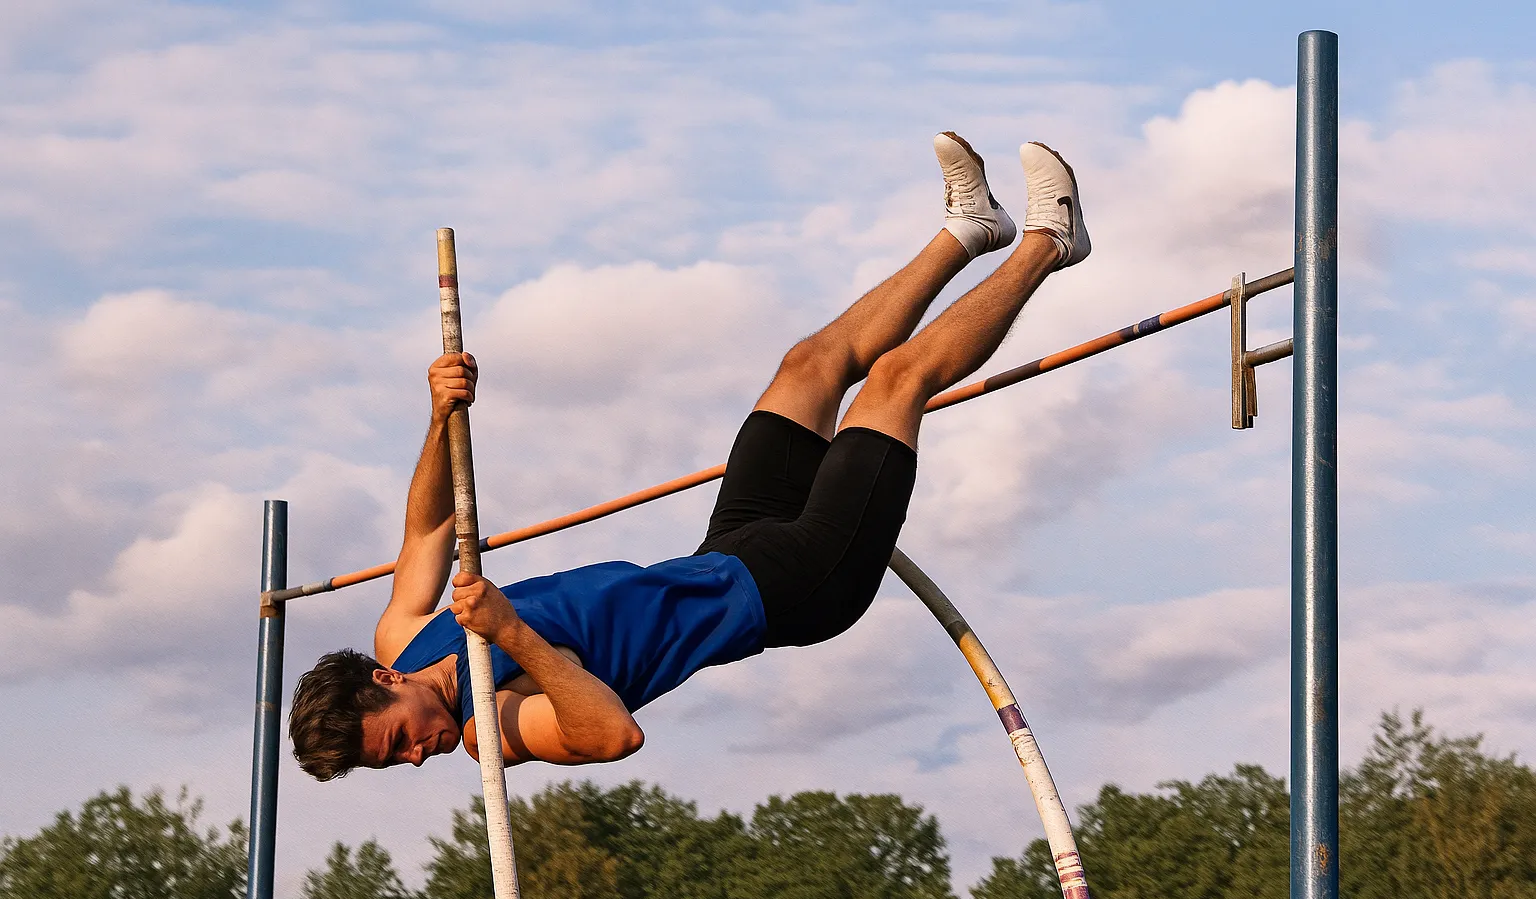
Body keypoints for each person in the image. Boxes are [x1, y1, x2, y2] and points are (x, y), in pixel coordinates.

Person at [288, 133, 1091, 780]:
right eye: (394, 763)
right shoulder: (488, 729)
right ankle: (1051, 241)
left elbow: (430, 528)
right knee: (895, 381)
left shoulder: (404, 637)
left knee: (808, 366)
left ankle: (970, 229)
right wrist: (511, 634)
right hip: (795, 589)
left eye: (396, 740)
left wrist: (440, 418)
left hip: (725, 552)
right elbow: (612, 736)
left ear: (386, 681)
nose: (415, 756)